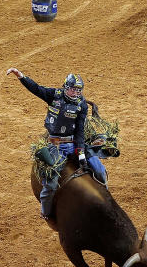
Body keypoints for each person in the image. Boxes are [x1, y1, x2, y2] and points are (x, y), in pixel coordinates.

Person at [6, 68, 105, 218]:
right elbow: (36, 89)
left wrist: (81, 153)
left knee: (99, 169)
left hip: (73, 143)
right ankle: (45, 212)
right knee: (51, 182)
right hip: (55, 145)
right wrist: (20, 76)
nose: (76, 93)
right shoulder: (54, 95)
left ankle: (106, 198)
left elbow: (79, 131)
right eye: (73, 90)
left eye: (79, 90)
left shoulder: (82, 105)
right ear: (66, 88)